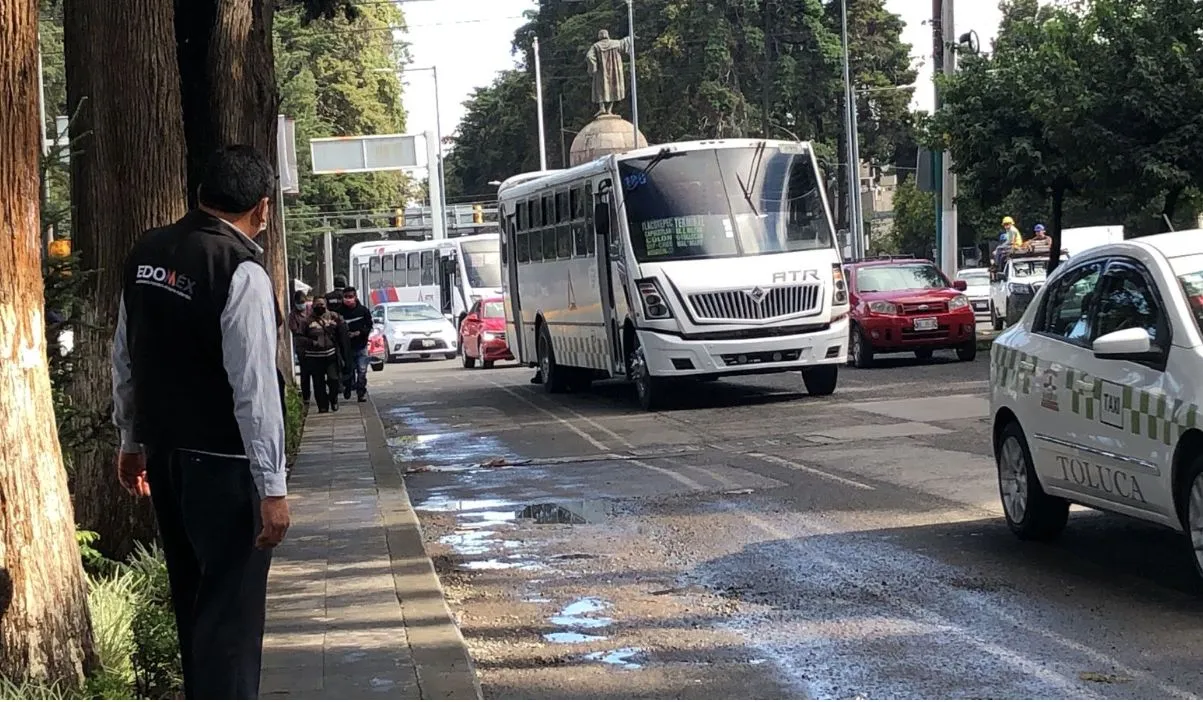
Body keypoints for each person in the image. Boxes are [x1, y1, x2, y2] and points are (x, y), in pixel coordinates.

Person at [110, 145, 289, 700]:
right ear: (262, 208)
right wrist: (273, 486)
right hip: (225, 465)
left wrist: (131, 439)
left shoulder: (146, 253)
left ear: (200, 194)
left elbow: (125, 354)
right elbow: (254, 387)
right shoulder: (240, 270)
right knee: (230, 618)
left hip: (166, 458)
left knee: (193, 604)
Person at [299, 295, 346, 413]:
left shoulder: (333, 317)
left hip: (330, 356)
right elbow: (299, 338)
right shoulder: (306, 321)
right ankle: (323, 406)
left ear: (326, 305)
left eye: (322, 305)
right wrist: (312, 343)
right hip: (314, 357)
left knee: (334, 380)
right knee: (318, 383)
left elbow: (342, 331)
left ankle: (333, 398)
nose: (320, 307)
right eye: (317, 305)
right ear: (313, 306)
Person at [338, 285, 373, 402]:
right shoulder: (339, 312)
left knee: (362, 371)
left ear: (355, 297)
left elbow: (369, 326)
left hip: (361, 346)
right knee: (348, 371)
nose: (348, 299)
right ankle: (348, 387)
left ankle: (361, 393)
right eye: (346, 297)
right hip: (346, 348)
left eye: (350, 296)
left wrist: (359, 332)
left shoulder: (363, 311)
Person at [287, 290, 313, 407]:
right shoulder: (293, 315)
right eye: (299, 303)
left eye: (303, 302)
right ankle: (306, 396)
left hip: (314, 345)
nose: (301, 305)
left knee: (317, 371)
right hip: (302, 346)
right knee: (305, 372)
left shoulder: (310, 309)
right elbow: (295, 330)